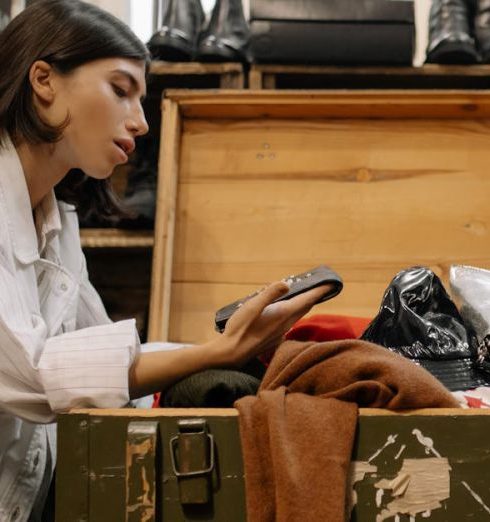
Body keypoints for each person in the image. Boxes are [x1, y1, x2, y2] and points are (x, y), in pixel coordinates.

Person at [0, 1, 331, 520]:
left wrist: (230, 347)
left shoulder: (55, 219)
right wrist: (215, 353)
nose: (141, 122)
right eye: (120, 89)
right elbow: (36, 375)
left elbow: (93, 355)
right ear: (43, 79)